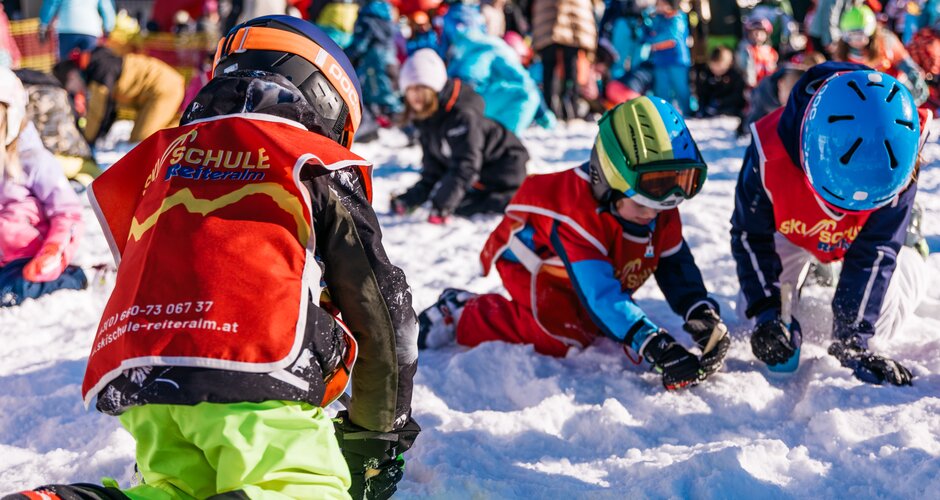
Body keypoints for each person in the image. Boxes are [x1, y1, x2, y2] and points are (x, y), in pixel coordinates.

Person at [7, 15, 420, 499]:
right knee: (299, 489)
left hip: (143, 376)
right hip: (251, 369)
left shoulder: (163, 157)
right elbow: (382, 312)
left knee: (179, 490)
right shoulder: (307, 158)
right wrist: (377, 433)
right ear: (329, 98)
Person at [417, 96, 731, 391]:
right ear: (607, 184)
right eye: (642, 205)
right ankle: (462, 311)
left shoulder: (657, 203)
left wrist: (699, 310)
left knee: (599, 321)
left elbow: (676, 265)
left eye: (664, 205)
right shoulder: (574, 215)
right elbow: (601, 293)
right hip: (534, 262)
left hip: (588, 266)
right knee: (562, 335)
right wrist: (651, 342)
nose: (653, 214)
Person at [732, 62, 930, 386]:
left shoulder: (902, 151)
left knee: (882, 324)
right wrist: (768, 311)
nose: (841, 214)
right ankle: (818, 267)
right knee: (750, 314)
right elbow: (749, 235)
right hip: (794, 230)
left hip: (867, 234)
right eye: (836, 200)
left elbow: (876, 249)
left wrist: (852, 340)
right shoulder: (768, 153)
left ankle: (913, 249)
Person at [391, 49, 529, 221]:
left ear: (433, 88)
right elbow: (433, 170)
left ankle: (516, 199)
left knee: (463, 206)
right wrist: (410, 199)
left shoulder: (461, 116)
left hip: (505, 167)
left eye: (421, 88)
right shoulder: (428, 120)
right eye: (410, 89)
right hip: (479, 176)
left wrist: (441, 206)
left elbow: (466, 165)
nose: (415, 96)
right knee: (458, 202)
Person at [0, 67, 86, 308]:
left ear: (11, 114)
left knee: (10, 291)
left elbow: (67, 213)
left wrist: (53, 251)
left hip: (28, 258)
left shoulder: (33, 160)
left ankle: (72, 278)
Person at [440, 4, 544, 134]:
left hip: (449, 103)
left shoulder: (449, 49)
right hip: (476, 100)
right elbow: (524, 81)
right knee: (527, 95)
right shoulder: (492, 46)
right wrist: (544, 115)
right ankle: (502, 140)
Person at [52, 46, 185, 145]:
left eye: (70, 88)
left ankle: (188, 139)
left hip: (162, 88)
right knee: (140, 140)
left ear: (72, 76)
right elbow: (109, 111)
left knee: (142, 142)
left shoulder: (99, 74)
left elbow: (98, 113)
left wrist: (86, 140)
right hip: (163, 86)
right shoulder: (98, 65)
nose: (74, 92)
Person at [833, 5, 930, 104]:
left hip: (893, 89)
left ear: (870, 32)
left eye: (860, 35)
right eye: (850, 36)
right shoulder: (843, 55)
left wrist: (913, 74)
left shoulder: (885, 42)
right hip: (865, 96)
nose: (856, 41)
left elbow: (903, 61)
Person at [532, 0, 597, 120]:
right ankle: (570, 107)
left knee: (553, 67)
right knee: (569, 66)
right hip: (572, 14)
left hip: (550, 15)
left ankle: (552, 109)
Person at [345, 0, 404, 120]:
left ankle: (385, 120)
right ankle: (395, 117)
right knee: (387, 90)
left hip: (374, 59)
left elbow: (360, 43)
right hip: (390, 57)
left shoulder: (367, 16)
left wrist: (345, 56)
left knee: (375, 91)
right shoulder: (386, 13)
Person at [744, 51, 826, 127]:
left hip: (775, 99)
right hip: (766, 93)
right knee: (757, 117)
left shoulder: (806, 79)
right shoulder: (792, 72)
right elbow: (774, 78)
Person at [646, 0, 692, 114]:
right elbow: (647, 34)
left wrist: (653, 41)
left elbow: (671, 36)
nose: (659, 7)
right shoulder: (657, 19)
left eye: (662, 4)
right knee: (662, 90)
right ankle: (664, 114)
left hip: (677, 60)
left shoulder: (678, 17)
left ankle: (687, 112)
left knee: (681, 89)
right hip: (660, 61)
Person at [693, 45, 747, 134]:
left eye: (720, 69)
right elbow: (702, 92)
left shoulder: (736, 75)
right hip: (711, 108)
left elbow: (738, 96)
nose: (716, 72)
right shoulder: (706, 74)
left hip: (730, 107)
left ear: (728, 64)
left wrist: (721, 102)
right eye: (713, 68)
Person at [38, 0, 115, 60]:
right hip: (91, 30)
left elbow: (51, 4)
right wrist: (108, 28)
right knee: (90, 63)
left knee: (65, 65)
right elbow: (107, 7)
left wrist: (43, 25)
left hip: (67, 29)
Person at [737, 17, 779, 88]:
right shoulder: (747, 51)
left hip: (769, 87)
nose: (757, 35)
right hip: (753, 88)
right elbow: (745, 72)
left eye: (761, 33)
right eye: (754, 33)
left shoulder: (771, 51)